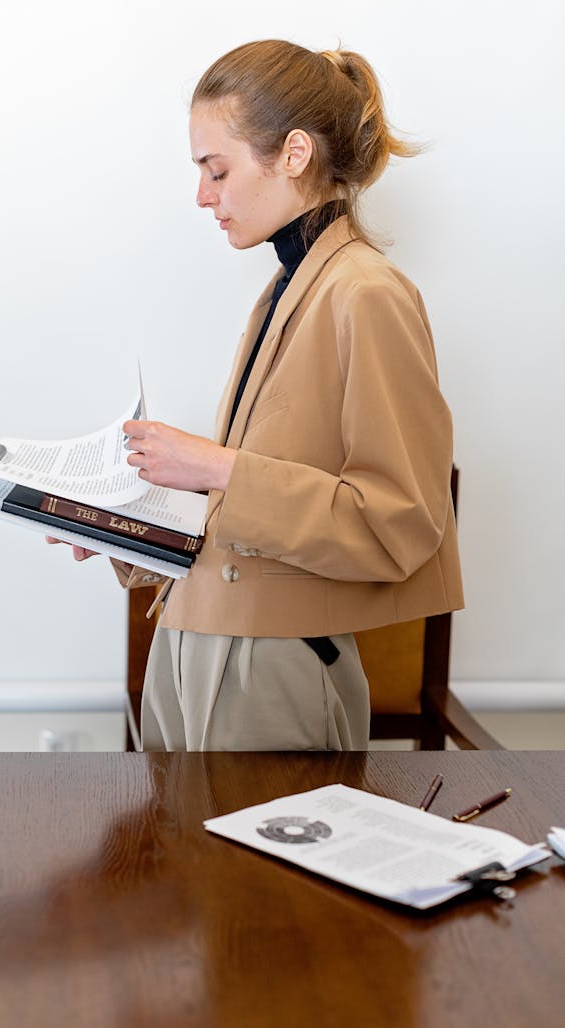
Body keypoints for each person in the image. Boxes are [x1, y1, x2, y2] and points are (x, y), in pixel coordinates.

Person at [49, 39, 464, 752]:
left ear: (294, 153)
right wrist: (122, 527)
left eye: (217, 169)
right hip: (191, 649)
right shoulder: (286, 289)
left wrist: (214, 466)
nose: (202, 195)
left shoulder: (366, 295)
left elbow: (399, 522)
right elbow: (257, 522)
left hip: (269, 668)